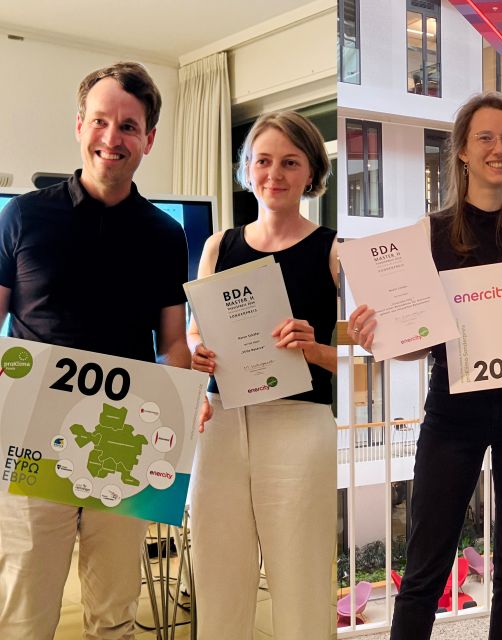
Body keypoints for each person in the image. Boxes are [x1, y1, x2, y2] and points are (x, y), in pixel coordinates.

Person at [348, 92, 502, 640]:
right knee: (425, 568)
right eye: (485, 137)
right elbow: (415, 344)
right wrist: (378, 337)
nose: (499, 148)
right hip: (452, 416)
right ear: (463, 152)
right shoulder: (429, 234)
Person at [0, 62, 190, 639]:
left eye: (129, 126)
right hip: (31, 437)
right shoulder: (22, 215)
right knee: (26, 611)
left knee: (114, 614)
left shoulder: (166, 235)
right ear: (79, 125)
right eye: (101, 121)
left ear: (148, 140)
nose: (113, 138)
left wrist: (180, 403)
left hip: (123, 441)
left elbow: (172, 342)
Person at [188, 110, 337, 639]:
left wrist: (315, 349)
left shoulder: (334, 251)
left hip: (299, 422)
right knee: (218, 574)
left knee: (300, 577)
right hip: (222, 422)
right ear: (247, 167)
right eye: (263, 160)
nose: (274, 174)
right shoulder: (218, 246)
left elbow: (366, 354)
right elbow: (196, 331)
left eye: (290, 162)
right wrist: (198, 351)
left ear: (312, 171)